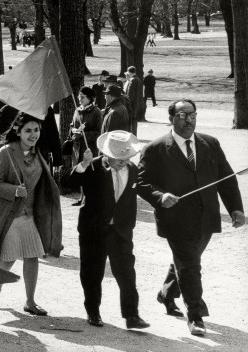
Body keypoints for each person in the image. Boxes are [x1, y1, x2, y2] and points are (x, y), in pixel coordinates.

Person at [137, 99, 245, 336]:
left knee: (187, 262)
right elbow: (141, 182)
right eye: (183, 115)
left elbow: (226, 178)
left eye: (192, 115)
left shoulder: (210, 143)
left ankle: (166, 294)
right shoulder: (155, 148)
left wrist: (236, 208)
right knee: (190, 265)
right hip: (174, 219)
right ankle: (195, 315)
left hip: (206, 217)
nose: (189, 120)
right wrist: (160, 195)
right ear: (171, 119)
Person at [0, 113, 62, 316]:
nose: (33, 134)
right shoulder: (6, 152)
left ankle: (30, 301)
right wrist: (14, 190)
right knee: (8, 257)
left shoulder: (39, 152)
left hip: (30, 215)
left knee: (33, 256)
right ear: (18, 131)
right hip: (9, 214)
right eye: (28, 130)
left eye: (36, 130)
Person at [64, 130, 150, 330]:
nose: (122, 161)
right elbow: (67, 183)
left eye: (126, 157)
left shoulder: (133, 170)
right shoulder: (93, 166)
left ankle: (132, 316)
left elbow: (136, 195)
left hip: (120, 231)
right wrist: (82, 165)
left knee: (127, 273)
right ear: (106, 154)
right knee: (93, 273)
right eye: (118, 158)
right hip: (94, 230)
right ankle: (93, 311)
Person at [69, 87, 103, 206]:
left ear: (90, 99)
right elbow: (72, 125)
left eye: (82, 96)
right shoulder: (77, 110)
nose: (80, 98)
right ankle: (81, 196)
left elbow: (99, 132)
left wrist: (83, 135)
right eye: (79, 96)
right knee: (80, 170)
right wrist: (73, 132)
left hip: (89, 148)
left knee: (89, 171)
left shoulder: (96, 112)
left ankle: (89, 197)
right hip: (77, 148)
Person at [124, 66, 142, 134]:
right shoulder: (138, 79)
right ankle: (134, 135)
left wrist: (127, 104)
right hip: (136, 104)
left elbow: (130, 93)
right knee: (134, 122)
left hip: (132, 105)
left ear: (129, 72)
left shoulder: (132, 80)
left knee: (130, 122)